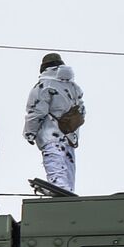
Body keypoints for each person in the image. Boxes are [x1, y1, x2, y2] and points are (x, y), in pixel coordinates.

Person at [24, 53, 84, 193]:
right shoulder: (74, 87)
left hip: (51, 133)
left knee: (54, 160)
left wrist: (29, 133)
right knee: (68, 164)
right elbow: (81, 111)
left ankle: (59, 187)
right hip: (69, 135)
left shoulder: (44, 86)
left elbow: (36, 112)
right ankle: (67, 189)